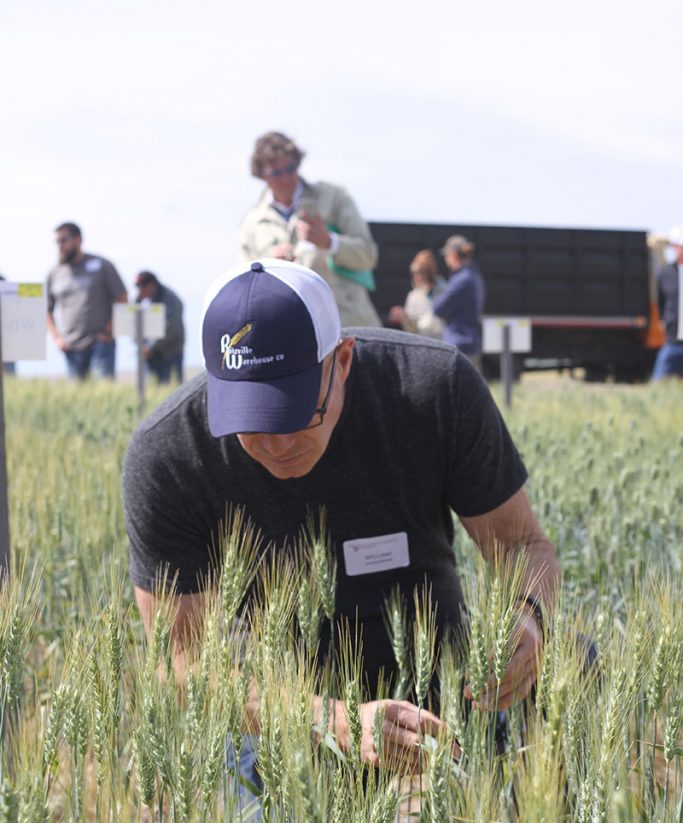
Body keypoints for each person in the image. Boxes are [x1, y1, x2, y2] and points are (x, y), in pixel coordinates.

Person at [123, 259, 559, 773]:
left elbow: (520, 545)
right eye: (252, 420)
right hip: (281, 695)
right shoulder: (169, 453)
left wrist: (528, 618)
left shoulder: (435, 386)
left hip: (448, 665)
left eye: (298, 409)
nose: (278, 443)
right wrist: (330, 720)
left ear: (344, 360)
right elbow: (181, 662)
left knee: (573, 670)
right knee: (252, 802)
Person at [238, 131, 381, 328]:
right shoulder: (251, 224)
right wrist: (269, 268)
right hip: (289, 334)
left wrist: (330, 242)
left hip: (347, 327)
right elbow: (245, 289)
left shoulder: (335, 197)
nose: (286, 179)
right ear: (261, 175)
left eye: (290, 168)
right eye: (276, 173)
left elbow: (368, 255)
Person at [47, 223, 127, 379]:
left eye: (64, 240)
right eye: (57, 241)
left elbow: (122, 298)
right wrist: (57, 338)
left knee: (104, 395)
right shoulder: (55, 273)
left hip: (100, 343)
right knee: (78, 397)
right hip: (71, 347)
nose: (60, 246)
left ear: (78, 240)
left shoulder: (102, 265)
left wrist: (109, 329)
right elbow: (46, 309)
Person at [432, 235, 485, 369]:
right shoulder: (472, 275)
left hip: (459, 345)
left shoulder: (461, 280)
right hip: (468, 343)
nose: (445, 259)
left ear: (454, 254)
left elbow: (438, 308)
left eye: (446, 255)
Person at [135, 271, 185, 384]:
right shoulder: (140, 300)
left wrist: (151, 347)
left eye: (143, 288)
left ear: (152, 285)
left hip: (170, 353)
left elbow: (171, 327)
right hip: (150, 356)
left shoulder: (170, 299)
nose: (140, 291)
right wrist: (142, 346)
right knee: (152, 387)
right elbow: (135, 323)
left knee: (173, 390)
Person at [388, 249, 446, 340]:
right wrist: (403, 317)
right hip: (424, 343)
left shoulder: (445, 289)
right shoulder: (413, 296)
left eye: (420, 272)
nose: (416, 276)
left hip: (443, 341)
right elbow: (411, 330)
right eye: (414, 273)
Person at [652, 224, 683, 380]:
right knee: (660, 379)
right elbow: (661, 301)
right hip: (673, 340)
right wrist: (664, 322)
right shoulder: (666, 274)